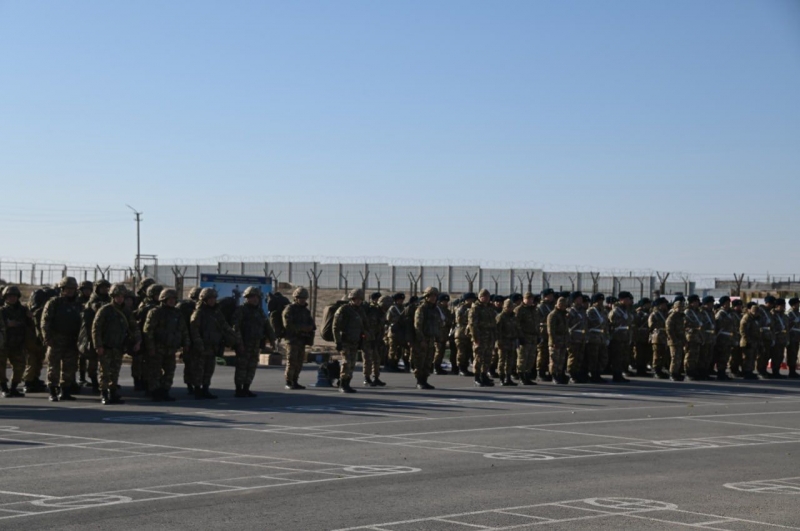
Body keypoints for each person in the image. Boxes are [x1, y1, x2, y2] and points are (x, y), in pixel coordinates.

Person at [93, 284, 141, 404]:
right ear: (113, 296)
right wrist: (98, 345)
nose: (120, 299)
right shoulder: (105, 310)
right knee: (104, 371)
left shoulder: (126, 311)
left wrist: (138, 341)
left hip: (118, 346)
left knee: (115, 371)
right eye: (117, 296)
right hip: (106, 346)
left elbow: (134, 327)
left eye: (122, 296)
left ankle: (112, 392)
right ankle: (104, 393)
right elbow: (96, 328)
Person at [190, 288, 238, 399]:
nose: (212, 301)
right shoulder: (199, 313)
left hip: (213, 346)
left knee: (209, 369)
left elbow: (224, 326)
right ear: (204, 299)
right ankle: (197, 390)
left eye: (214, 298)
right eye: (210, 298)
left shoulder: (217, 313)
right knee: (199, 369)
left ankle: (205, 389)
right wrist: (198, 343)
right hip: (202, 346)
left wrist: (234, 337)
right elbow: (194, 329)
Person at [41, 277, 84, 401]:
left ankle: (65, 391)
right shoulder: (54, 303)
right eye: (67, 288)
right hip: (56, 339)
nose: (70, 291)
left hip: (72, 340)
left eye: (72, 289)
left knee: (69, 367)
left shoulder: (78, 305)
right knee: (53, 367)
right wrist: (47, 338)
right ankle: (52, 391)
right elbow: (45, 321)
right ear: (62, 289)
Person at [144, 288, 190, 401]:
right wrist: (150, 347)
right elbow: (148, 331)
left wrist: (186, 344)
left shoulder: (177, 313)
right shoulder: (155, 312)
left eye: (173, 299)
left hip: (171, 348)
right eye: (169, 299)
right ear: (163, 299)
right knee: (155, 371)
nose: (172, 301)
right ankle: (155, 392)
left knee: (170, 370)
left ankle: (165, 391)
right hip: (158, 347)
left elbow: (183, 330)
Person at [333, 288, 367, 393]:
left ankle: (347, 383)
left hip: (355, 341)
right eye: (357, 299)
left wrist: (362, 339)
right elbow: (335, 327)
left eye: (360, 299)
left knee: (352, 364)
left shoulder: (360, 311)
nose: (358, 301)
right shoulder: (344, 310)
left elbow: (363, 326)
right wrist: (338, 341)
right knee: (346, 362)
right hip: (345, 341)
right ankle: (342, 384)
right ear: (352, 299)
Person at [282, 287, 316, 390]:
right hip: (292, 340)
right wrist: (302, 328)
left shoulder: (305, 311)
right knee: (291, 361)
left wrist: (310, 328)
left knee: (299, 362)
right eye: (300, 298)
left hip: (302, 340)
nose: (302, 300)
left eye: (304, 298)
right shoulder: (289, 309)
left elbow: (312, 324)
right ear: (295, 298)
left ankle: (295, 380)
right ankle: (289, 381)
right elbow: (287, 324)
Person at [411, 287, 441, 390]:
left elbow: (438, 324)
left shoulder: (435, 309)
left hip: (431, 338)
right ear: (426, 296)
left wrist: (437, 338)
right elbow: (417, 326)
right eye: (432, 296)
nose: (434, 298)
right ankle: (419, 381)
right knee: (420, 361)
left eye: (435, 296)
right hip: (422, 339)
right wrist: (421, 339)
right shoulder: (421, 309)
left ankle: (425, 380)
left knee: (428, 360)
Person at [1, 286, 28, 398]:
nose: (12, 298)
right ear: (5, 297)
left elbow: (29, 324)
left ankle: (13, 388)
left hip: (18, 343)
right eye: (9, 296)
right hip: (3, 344)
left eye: (14, 296)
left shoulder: (23, 310)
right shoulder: (2, 311)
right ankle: (4, 388)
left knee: (20, 366)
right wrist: (7, 325)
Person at [468, 289, 497, 387]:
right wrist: (475, 338)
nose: (486, 298)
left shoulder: (490, 308)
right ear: (480, 297)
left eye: (488, 296)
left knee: (487, 357)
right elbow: (472, 325)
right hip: (480, 336)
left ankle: (484, 375)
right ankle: (477, 377)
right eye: (484, 296)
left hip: (489, 336)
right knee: (478, 357)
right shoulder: (475, 308)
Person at [363, 294, 390, 387]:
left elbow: (380, 327)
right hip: (368, 339)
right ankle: (367, 378)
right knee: (368, 359)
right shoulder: (373, 312)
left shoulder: (382, 313)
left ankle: (376, 377)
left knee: (376, 359)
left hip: (376, 339)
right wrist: (371, 338)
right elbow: (369, 327)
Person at [608, 291, 635, 383]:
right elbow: (612, 322)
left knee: (623, 356)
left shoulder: (626, 310)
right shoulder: (616, 310)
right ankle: (616, 374)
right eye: (627, 299)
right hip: (617, 337)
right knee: (617, 356)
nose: (629, 301)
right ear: (621, 300)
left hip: (625, 336)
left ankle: (620, 373)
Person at [178, 287, 201, 394]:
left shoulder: (199, 309)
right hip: (190, 340)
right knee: (191, 365)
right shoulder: (187, 308)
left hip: (194, 340)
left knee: (194, 365)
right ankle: (191, 385)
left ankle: (193, 385)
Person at [514, 292, 539, 385]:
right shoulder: (519, 309)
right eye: (528, 299)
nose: (530, 301)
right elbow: (516, 324)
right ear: (524, 299)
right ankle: (521, 375)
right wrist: (520, 336)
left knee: (531, 357)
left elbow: (536, 323)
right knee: (522, 357)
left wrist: (538, 335)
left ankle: (527, 375)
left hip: (533, 336)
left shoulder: (534, 310)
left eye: (531, 299)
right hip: (524, 336)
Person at [496, 298, 521, 386]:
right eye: (508, 307)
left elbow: (517, 328)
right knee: (502, 360)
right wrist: (498, 341)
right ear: (504, 307)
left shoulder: (514, 316)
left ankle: (508, 377)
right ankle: (501, 377)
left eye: (511, 307)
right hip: (503, 341)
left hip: (512, 341)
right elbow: (498, 330)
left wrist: (518, 337)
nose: (509, 309)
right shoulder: (500, 317)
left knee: (510, 360)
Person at [585, 293, 609, 383]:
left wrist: (607, 337)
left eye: (602, 301)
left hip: (601, 337)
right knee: (593, 357)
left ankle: (598, 372)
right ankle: (594, 374)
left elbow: (606, 325)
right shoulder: (591, 311)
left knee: (603, 357)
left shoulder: (603, 311)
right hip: (593, 336)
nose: (601, 302)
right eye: (599, 301)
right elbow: (589, 323)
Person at [547, 297, 570, 384]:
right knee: (554, 359)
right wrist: (553, 341)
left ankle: (560, 374)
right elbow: (551, 330)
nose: (563, 306)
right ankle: (554, 375)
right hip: (556, 340)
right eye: (561, 304)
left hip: (563, 340)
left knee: (561, 359)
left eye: (564, 305)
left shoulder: (564, 314)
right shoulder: (553, 315)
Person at [713, 296, 736, 381]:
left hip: (728, 338)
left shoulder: (730, 313)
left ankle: (723, 371)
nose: (728, 304)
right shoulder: (720, 313)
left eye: (729, 303)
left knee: (726, 356)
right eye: (726, 303)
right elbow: (718, 326)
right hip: (722, 338)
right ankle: (720, 372)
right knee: (721, 356)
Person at [566, 292, 587, 383]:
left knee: (580, 356)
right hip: (573, 337)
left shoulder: (582, 310)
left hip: (582, 337)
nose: (581, 300)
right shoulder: (570, 311)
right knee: (573, 356)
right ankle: (571, 373)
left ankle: (577, 373)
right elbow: (567, 325)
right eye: (578, 298)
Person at [454, 292, 476, 376]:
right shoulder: (461, 308)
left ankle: (465, 368)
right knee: (461, 352)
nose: (472, 301)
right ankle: (461, 368)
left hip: (468, 333)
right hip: (461, 333)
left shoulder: (472, 308)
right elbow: (459, 320)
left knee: (468, 352)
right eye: (471, 299)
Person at [683, 295, 705, 381]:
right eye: (695, 302)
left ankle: (693, 370)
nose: (697, 303)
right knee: (689, 355)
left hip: (697, 336)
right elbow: (684, 324)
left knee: (696, 355)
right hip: (690, 336)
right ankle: (688, 372)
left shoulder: (697, 312)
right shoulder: (687, 312)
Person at [536, 289, 556, 382]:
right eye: (549, 295)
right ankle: (541, 371)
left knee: (550, 354)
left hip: (551, 332)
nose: (551, 297)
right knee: (542, 353)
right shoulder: (540, 307)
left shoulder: (553, 306)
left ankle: (549, 371)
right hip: (543, 332)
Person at [648, 297, 670, 379]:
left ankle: (660, 369)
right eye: (663, 304)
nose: (665, 306)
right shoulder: (655, 314)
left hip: (664, 336)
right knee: (657, 354)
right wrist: (660, 326)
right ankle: (656, 370)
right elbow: (651, 325)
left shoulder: (665, 313)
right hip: (657, 336)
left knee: (663, 354)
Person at [433, 294, 454, 376]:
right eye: (444, 301)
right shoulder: (437, 309)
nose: (445, 303)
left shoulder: (446, 310)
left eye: (446, 301)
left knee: (441, 351)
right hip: (438, 334)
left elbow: (449, 321)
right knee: (438, 351)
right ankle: (435, 366)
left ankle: (438, 366)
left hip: (444, 334)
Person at [386, 292, 407, 372]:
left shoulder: (403, 308)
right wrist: (397, 319)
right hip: (393, 332)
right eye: (399, 299)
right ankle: (390, 365)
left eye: (402, 299)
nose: (401, 301)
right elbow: (388, 319)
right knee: (392, 350)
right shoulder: (393, 308)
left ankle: (395, 364)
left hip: (400, 332)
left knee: (399, 350)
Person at [740, 302, 761, 380]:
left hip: (754, 341)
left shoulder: (756, 319)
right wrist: (747, 340)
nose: (756, 313)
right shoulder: (747, 317)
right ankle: (746, 372)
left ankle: (750, 371)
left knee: (753, 357)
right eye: (754, 312)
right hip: (748, 341)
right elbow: (742, 330)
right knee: (748, 357)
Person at [666, 300, 687, 381]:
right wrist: (674, 339)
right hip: (674, 340)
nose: (681, 309)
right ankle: (672, 373)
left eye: (682, 307)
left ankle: (677, 372)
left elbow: (682, 330)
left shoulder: (681, 317)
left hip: (680, 340)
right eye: (679, 307)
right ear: (674, 307)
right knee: (675, 357)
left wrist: (684, 340)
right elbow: (669, 330)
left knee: (679, 357)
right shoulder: (672, 317)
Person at [756, 296, 777, 378]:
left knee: (767, 355)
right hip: (762, 335)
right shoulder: (760, 310)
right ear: (767, 303)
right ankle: (760, 370)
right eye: (771, 304)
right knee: (761, 354)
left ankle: (764, 370)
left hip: (768, 336)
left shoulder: (768, 312)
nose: (772, 306)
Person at [633, 298, 652, 376]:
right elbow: (636, 324)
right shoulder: (639, 313)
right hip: (640, 336)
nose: (649, 305)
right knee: (640, 354)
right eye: (647, 304)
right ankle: (640, 369)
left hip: (647, 336)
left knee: (646, 354)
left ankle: (643, 368)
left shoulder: (649, 312)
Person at [787, 297, 800, 379]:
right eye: (797, 304)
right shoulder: (789, 313)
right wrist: (793, 322)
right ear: (793, 305)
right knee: (791, 353)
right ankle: (791, 371)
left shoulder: (798, 313)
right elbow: (786, 325)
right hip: (791, 336)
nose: (798, 305)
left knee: (795, 354)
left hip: (797, 336)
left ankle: (793, 370)